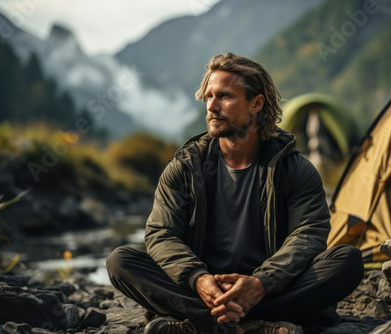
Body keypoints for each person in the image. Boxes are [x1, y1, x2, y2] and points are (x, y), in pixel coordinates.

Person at [106, 53, 364, 334]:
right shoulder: (185, 168)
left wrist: (261, 283)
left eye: (225, 96)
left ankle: (205, 323)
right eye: (208, 97)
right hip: (203, 289)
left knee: (347, 261)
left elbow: (308, 234)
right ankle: (250, 326)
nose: (212, 107)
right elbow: (161, 234)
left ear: (256, 103)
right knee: (121, 261)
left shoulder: (294, 169)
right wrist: (198, 278)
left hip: (271, 289)